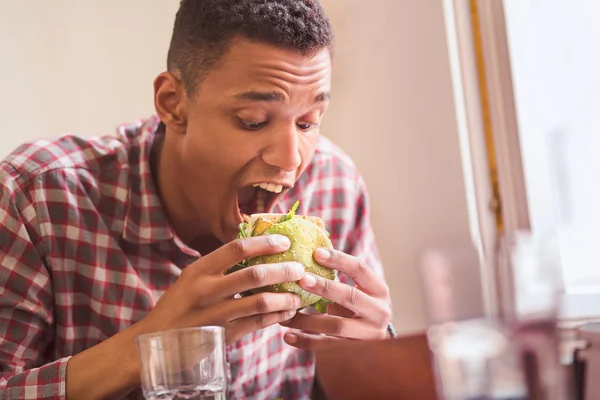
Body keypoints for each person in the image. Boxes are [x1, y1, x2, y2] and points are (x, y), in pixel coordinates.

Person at [0, 0, 393, 399]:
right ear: (174, 104)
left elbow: (355, 377)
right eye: (253, 121)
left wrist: (374, 353)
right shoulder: (36, 198)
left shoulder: (333, 183)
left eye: (308, 122)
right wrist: (148, 346)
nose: (291, 158)